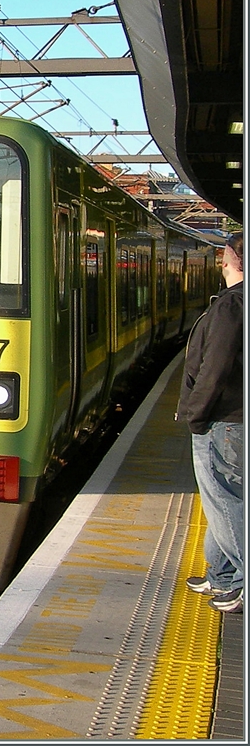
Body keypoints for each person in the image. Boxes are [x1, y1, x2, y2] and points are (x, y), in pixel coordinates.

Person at [177, 233, 244, 613]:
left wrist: (195, 413)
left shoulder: (231, 306)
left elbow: (214, 369)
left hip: (223, 419)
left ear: (231, 259)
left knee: (225, 501)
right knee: (221, 500)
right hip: (233, 417)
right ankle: (220, 574)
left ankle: (240, 579)